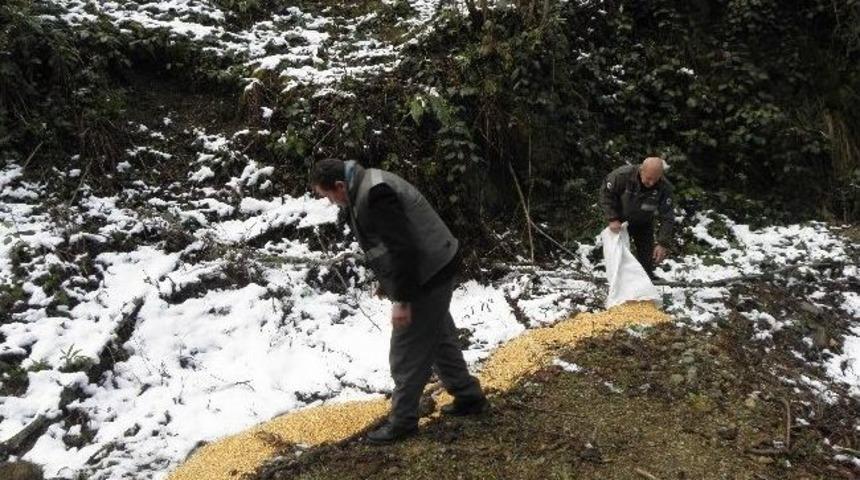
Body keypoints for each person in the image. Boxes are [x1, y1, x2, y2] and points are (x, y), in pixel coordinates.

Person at [310, 158, 488, 444]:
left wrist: (402, 299)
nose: (331, 202)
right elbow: (389, 247)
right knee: (438, 335)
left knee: (406, 349)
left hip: (429, 270)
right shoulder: (364, 186)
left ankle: (403, 421)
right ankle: (468, 396)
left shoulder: (375, 194)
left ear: (340, 186)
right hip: (434, 262)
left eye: (328, 196)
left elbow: (403, 249)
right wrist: (388, 283)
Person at [598, 157, 675, 278]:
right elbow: (606, 194)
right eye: (648, 178)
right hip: (619, 221)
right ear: (641, 170)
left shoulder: (664, 187)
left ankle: (645, 279)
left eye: (655, 179)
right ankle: (617, 279)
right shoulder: (622, 176)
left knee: (647, 256)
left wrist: (662, 243)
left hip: (644, 222)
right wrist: (612, 218)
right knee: (617, 254)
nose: (651, 183)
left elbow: (667, 216)